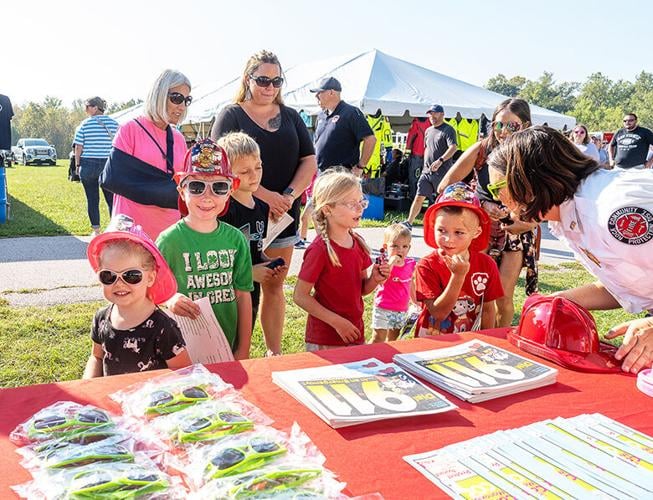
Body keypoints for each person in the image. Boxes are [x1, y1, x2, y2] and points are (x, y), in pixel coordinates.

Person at [487, 125, 653, 374]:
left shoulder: (611, 209)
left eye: (498, 188)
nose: (498, 199)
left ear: (527, 180)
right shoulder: (571, 213)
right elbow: (629, 284)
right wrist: (556, 302)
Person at [211, 50, 316, 356]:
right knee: (238, 284)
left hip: (282, 215)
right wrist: (266, 196)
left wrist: (287, 197)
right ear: (248, 79)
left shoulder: (292, 116)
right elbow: (221, 164)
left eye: (277, 80)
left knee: (273, 282)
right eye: (263, 79)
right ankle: (232, 352)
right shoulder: (230, 114)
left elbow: (309, 161)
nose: (270, 86)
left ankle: (274, 353)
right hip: (239, 216)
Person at [438, 98, 539, 327]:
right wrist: (480, 205)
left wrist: (529, 222)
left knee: (503, 296)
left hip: (516, 229)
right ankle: (480, 338)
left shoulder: (532, 153)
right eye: (498, 125)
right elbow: (446, 185)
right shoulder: (483, 148)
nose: (503, 132)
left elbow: (544, 198)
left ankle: (501, 340)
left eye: (511, 126)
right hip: (481, 226)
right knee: (479, 293)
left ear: (525, 125)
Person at [157, 139, 253, 360]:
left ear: (230, 191)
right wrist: (169, 300)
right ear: (182, 191)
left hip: (227, 346)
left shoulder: (236, 239)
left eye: (219, 187)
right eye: (196, 187)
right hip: (180, 351)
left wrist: (244, 348)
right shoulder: (169, 241)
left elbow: (243, 295)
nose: (207, 197)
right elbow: (152, 292)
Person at [83, 214, 191, 378]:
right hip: (112, 400)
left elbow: (184, 373)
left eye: (131, 276)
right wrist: (88, 384)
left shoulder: (163, 327)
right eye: (108, 276)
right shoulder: (101, 318)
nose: (119, 283)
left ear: (150, 278)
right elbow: (97, 357)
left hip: (151, 402)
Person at [293, 170, 390, 350]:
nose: (360, 208)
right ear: (327, 209)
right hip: (325, 339)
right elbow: (300, 296)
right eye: (351, 203)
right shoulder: (319, 250)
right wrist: (337, 322)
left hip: (354, 333)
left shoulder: (358, 242)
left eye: (361, 201)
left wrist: (375, 279)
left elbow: (361, 290)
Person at [217, 132, 287, 343]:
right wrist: (249, 273)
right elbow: (219, 258)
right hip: (226, 296)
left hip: (251, 292)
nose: (254, 175)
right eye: (245, 171)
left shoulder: (262, 208)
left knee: (244, 340)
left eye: (258, 167)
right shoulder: (223, 210)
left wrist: (269, 263)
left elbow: (256, 248)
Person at [110, 69, 192, 240]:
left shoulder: (178, 139)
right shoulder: (129, 130)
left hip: (169, 233)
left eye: (186, 100)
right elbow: (114, 179)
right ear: (160, 94)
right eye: (176, 98)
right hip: (132, 231)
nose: (182, 106)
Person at [415, 183, 503, 336]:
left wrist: (488, 340)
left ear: (476, 232)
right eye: (441, 230)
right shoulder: (426, 265)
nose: (449, 239)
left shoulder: (487, 265)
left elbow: (488, 309)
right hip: (430, 342)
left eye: (459, 232)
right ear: (433, 226)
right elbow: (438, 313)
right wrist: (458, 276)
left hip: (467, 342)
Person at [403, 105, 458, 228]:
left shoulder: (448, 130)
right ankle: (409, 222)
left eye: (435, 114)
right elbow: (427, 149)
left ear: (442, 114)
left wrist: (440, 160)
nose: (432, 116)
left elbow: (453, 147)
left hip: (442, 172)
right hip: (426, 172)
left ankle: (448, 225)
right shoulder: (428, 130)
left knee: (444, 200)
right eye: (430, 114)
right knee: (419, 197)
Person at [311, 77, 376, 176]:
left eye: (320, 92)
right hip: (322, 174)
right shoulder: (321, 116)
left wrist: (360, 166)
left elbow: (370, 139)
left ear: (331, 92)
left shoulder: (351, 112)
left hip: (341, 175)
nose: (316, 96)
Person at [74, 97, 119, 236]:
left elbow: (78, 147)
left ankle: (96, 230)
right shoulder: (114, 124)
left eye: (87, 107)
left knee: (92, 198)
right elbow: (120, 145)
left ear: (95, 108)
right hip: (109, 164)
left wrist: (77, 165)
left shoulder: (84, 125)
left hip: (89, 164)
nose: (85, 110)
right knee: (112, 199)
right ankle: (114, 229)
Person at [370, 223, 417, 343]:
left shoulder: (410, 264)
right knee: (378, 338)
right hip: (384, 307)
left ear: (409, 248)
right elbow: (381, 280)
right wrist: (391, 264)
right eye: (395, 246)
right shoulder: (384, 264)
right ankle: (367, 356)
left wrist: (415, 301)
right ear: (386, 247)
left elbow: (410, 282)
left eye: (404, 246)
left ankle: (387, 358)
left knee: (393, 340)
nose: (400, 250)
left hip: (401, 309)